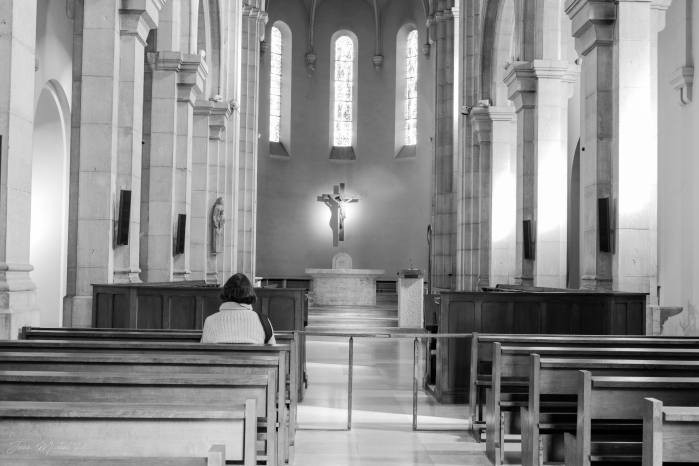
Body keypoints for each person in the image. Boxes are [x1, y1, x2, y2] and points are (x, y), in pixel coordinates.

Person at [201, 273, 276, 344]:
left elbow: (203, 352)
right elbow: (273, 351)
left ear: (225, 292)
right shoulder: (264, 321)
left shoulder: (210, 320)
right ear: (250, 293)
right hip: (252, 357)